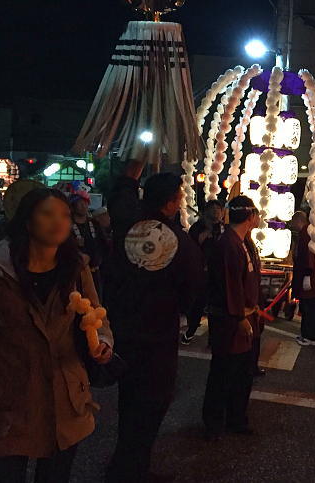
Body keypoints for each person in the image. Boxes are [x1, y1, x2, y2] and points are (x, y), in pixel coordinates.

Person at [0, 188, 112, 483]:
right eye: (47, 213)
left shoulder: (76, 267)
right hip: (11, 404)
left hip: (66, 404)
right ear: (27, 222)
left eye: (65, 215)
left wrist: (103, 343)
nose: (59, 221)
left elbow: (97, 316)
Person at [104, 162, 202, 483]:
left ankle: (124, 465)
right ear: (171, 202)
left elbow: (119, 202)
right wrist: (193, 318)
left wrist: (130, 177)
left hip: (122, 327)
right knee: (151, 405)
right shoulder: (177, 240)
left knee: (129, 400)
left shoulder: (126, 226)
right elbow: (193, 286)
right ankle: (131, 470)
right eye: (179, 199)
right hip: (157, 335)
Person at [202, 196, 262, 438]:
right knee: (224, 371)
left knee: (242, 372)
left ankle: (236, 417)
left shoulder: (242, 241)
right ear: (250, 217)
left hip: (244, 315)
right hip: (231, 320)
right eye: (257, 214)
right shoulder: (228, 244)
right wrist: (239, 317)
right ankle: (215, 422)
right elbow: (230, 285)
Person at [182, 199, 226, 344]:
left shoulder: (223, 228)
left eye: (218, 209)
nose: (216, 212)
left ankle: (213, 339)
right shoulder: (198, 227)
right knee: (197, 304)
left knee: (216, 306)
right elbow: (192, 247)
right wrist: (207, 232)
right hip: (201, 272)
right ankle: (190, 331)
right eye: (213, 209)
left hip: (218, 272)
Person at [291, 211, 315, 346]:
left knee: (309, 307)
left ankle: (309, 336)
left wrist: (307, 274)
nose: (292, 225)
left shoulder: (306, 234)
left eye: (293, 222)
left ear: (298, 221)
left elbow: (308, 256)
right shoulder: (312, 231)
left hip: (310, 277)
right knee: (313, 307)